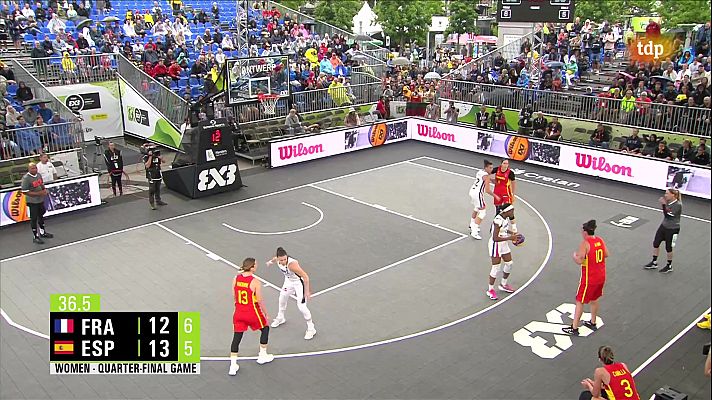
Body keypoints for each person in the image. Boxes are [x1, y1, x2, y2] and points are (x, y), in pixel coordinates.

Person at [229, 258, 274, 375]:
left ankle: (233, 366)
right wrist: (266, 313)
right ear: (252, 267)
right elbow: (259, 300)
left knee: (236, 338)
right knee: (265, 328)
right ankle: (262, 355)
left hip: (238, 312)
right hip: (252, 312)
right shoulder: (255, 282)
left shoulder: (236, 278)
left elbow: (234, 295)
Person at [564, 220, 608, 335]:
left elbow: (580, 260)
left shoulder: (585, 243)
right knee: (594, 299)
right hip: (601, 276)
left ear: (584, 232)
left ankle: (574, 327)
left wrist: (575, 256)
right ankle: (593, 321)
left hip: (589, 278)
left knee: (580, 301)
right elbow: (606, 254)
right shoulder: (600, 240)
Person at [267, 247, 316, 340]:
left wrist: (307, 291)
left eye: (285, 259)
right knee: (282, 298)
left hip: (298, 283)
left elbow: (305, 276)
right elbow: (274, 259)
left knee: (301, 306)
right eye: (281, 260)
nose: (283, 261)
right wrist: (270, 262)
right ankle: (281, 317)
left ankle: (311, 328)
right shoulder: (277, 259)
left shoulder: (292, 265)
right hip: (289, 282)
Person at [486, 204, 521, 300]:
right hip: (496, 245)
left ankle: (503, 284)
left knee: (509, 264)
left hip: (503, 243)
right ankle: (490, 290)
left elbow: (504, 230)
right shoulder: (497, 221)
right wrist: (511, 238)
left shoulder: (505, 218)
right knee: (496, 268)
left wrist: (512, 233)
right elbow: (495, 238)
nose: (513, 212)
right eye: (512, 211)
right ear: (506, 211)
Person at [644, 189, 682, 273]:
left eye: (667, 193)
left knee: (669, 247)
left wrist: (663, 205)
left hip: (673, 229)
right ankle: (654, 262)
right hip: (664, 226)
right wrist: (664, 205)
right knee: (656, 243)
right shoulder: (668, 201)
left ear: (673, 195)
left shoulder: (678, 205)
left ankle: (669, 265)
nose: (665, 195)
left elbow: (668, 215)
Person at [21, 162, 53, 244]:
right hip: (32, 201)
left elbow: (41, 183)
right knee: (34, 218)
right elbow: (25, 192)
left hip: (40, 200)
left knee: (41, 216)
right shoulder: (26, 178)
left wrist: (44, 190)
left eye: (35, 168)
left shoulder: (38, 175)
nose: (34, 169)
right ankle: (35, 236)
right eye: (32, 168)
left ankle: (43, 232)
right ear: (28, 169)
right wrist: (39, 193)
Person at [468, 160, 496, 240]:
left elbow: (488, 179)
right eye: (490, 168)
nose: (491, 169)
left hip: (472, 191)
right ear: (486, 168)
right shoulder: (486, 176)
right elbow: (487, 190)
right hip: (478, 194)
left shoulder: (480, 172)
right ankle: (474, 231)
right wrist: (495, 196)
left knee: (476, 208)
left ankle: (472, 224)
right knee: (483, 212)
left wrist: (495, 181)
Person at [493, 159, 518, 233]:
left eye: (507, 163)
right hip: (497, 192)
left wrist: (513, 194)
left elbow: (513, 183)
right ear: (501, 164)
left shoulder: (510, 173)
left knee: (509, 209)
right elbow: (487, 173)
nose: (506, 165)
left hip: (506, 193)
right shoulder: (497, 169)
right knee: (498, 210)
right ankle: (498, 226)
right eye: (504, 163)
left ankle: (514, 227)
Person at [142, 144, 166, 209]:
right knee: (152, 190)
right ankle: (152, 204)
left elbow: (164, 161)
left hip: (158, 174)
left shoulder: (157, 155)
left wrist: (161, 158)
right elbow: (147, 166)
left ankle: (158, 200)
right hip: (151, 175)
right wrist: (150, 156)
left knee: (158, 189)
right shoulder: (145, 157)